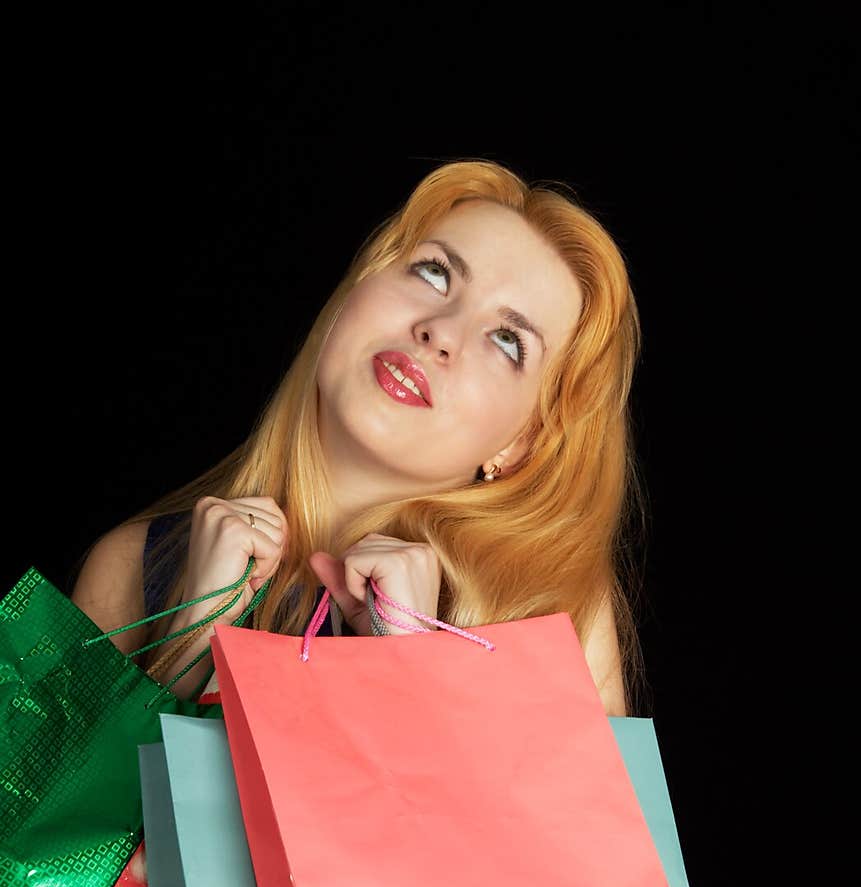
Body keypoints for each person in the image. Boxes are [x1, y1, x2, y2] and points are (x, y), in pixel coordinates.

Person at [70, 159, 648, 716]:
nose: (440, 331)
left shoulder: (552, 619)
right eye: (433, 272)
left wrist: (411, 673)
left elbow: (582, 820)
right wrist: (186, 650)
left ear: (522, 443)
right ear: (355, 291)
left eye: (506, 340)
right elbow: (52, 817)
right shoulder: (133, 565)